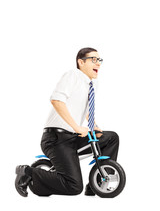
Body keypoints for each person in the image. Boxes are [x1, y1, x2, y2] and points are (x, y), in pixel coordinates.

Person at [15, 47, 119, 197]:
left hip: (74, 137)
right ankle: (27, 171)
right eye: (94, 60)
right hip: (56, 139)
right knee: (74, 187)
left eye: (99, 60)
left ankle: (97, 182)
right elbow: (56, 100)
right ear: (81, 62)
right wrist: (76, 127)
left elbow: (87, 110)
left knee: (111, 138)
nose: (98, 64)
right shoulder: (73, 75)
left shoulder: (93, 84)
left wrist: (94, 126)